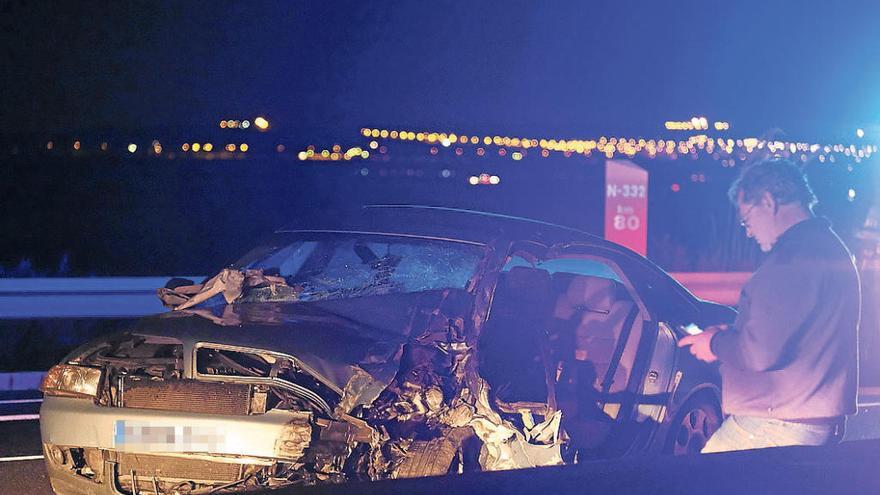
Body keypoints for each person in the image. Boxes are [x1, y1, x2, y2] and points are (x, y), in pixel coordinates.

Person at [678, 158, 860, 453]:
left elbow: (759, 354)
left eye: (746, 219)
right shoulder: (830, 247)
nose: (748, 231)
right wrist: (733, 333)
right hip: (811, 419)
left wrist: (713, 344)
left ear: (767, 201)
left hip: (774, 424)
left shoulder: (790, 260)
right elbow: (799, 333)